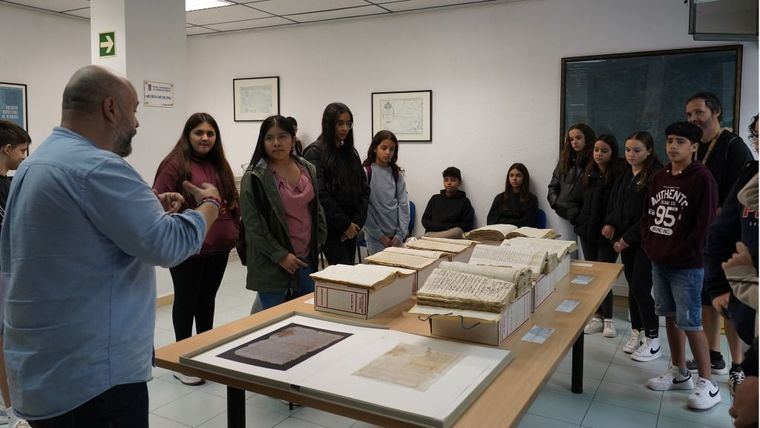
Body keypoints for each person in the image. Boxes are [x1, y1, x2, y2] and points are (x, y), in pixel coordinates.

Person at [0, 65, 220, 426]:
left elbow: (81, 236)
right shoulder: (97, 167)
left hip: (49, 371)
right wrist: (210, 205)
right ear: (110, 108)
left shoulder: (37, 162)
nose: (136, 123)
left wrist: (150, 210)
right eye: (133, 111)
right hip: (95, 381)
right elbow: (168, 246)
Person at [153, 112, 240, 385]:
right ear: (188, 135)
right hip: (187, 246)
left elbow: (231, 199)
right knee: (186, 299)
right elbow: (159, 202)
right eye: (199, 133)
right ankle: (183, 359)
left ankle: (204, 352)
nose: (205, 138)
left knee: (207, 300)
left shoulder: (220, 163)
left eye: (210, 133)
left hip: (218, 246)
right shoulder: (174, 164)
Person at [641, 121, 721, 410]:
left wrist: (682, 252)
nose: (673, 146)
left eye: (680, 142)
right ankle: (679, 371)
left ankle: (708, 382)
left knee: (691, 321)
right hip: (659, 260)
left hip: (686, 265)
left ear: (694, 146)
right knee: (669, 316)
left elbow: (704, 225)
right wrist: (650, 245)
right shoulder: (660, 176)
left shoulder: (702, 178)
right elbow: (648, 214)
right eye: (670, 140)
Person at [685, 92, 754, 378]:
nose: (693, 119)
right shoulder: (695, 147)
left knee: (732, 305)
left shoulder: (733, 146)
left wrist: (718, 213)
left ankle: (738, 364)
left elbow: (743, 195)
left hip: (729, 239)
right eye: (689, 114)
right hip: (704, 239)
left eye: (698, 113)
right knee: (707, 300)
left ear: (716, 112)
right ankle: (714, 356)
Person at [241, 115, 326, 310]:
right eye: (269, 138)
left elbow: (316, 208)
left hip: (305, 257)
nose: (276, 142)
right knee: (274, 323)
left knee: (306, 315)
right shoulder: (255, 176)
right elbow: (254, 225)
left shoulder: (307, 168)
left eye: (283, 136)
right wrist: (280, 255)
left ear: (293, 139)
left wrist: (319, 239)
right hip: (272, 262)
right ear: (262, 142)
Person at [703, 114, 759, 393]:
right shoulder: (751, 176)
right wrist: (717, 288)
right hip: (746, 300)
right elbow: (719, 234)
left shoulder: (730, 149)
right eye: (758, 136)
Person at [603, 131, 662, 361]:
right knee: (632, 286)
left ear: (648, 151)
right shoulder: (625, 174)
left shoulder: (655, 176)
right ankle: (636, 332)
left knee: (640, 286)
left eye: (637, 150)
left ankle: (653, 339)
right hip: (626, 240)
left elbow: (649, 215)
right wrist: (610, 223)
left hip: (645, 241)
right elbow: (615, 204)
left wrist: (626, 238)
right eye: (628, 150)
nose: (631, 154)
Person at [568, 134, 625, 338]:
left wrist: (612, 224)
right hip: (588, 232)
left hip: (609, 234)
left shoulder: (621, 174)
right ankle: (597, 317)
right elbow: (573, 200)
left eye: (604, 150)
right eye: (596, 150)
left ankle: (609, 319)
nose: (599, 154)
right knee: (592, 276)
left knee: (605, 277)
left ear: (613, 152)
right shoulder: (588, 172)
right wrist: (578, 219)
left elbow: (621, 205)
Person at [303, 103, 369, 265]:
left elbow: (364, 190)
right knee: (342, 275)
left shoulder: (350, 153)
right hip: (331, 227)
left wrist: (356, 223)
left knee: (349, 273)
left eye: (348, 124)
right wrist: (345, 225)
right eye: (340, 123)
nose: (345, 128)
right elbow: (320, 194)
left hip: (352, 226)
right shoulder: (315, 152)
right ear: (329, 124)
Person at [0, 121, 30, 428]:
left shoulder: (11, 183)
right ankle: (11, 410)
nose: (24, 157)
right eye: (21, 150)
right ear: (6, 149)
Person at [362, 130, 409, 255]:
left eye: (392, 149)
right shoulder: (366, 173)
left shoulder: (396, 175)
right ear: (374, 148)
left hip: (396, 237)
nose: (388, 152)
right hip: (375, 237)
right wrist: (380, 236)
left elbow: (404, 205)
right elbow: (363, 209)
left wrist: (400, 235)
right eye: (384, 148)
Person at [547, 123, 594, 221]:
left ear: (587, 138)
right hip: (562, 212)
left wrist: (582, 213)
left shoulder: (594, 160)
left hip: (583, 216)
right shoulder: (564, 159)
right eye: (571, 139)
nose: (574, 142)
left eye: (578, 138)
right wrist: (556, 203)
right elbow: (553, 186)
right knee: (564, 237)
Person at [421, 166, 475, 238]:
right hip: (433, 233)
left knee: (457, 231)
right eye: (446, 180)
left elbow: (467, 226)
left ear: (459, 183)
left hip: (451, 236)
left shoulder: (464, 201)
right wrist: (440, 227)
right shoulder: (435, 198)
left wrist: (441, 227)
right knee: (428, 233)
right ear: (443, 182)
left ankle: (425, 237)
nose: (449, 183)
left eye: (453, 180)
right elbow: (425, 220)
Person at [486, 162, 538, 227]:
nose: (514, 178)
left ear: (524, 178)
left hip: (521, 234)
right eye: (511, 175)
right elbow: (490, 221)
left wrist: (502, 220)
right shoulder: (499, 198)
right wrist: (516, 220)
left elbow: (527, 223)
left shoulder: (531, 199)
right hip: (500, 234)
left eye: (518, 175)